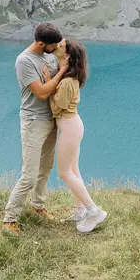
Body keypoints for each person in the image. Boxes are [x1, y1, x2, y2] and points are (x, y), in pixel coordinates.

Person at [3, 23, 66, 235]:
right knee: (29, 174)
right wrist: (62, 71)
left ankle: (38, 206)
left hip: (52, 119)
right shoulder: (24, 61)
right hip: (33, 121)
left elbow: (57, 86)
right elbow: (41, 92)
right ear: (40, 43)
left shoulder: (50, 55)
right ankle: (9, 218)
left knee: (46, 166)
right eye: (52, 45)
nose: (56, 48)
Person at [50, 39, 106, 232]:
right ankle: (80, 210)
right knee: (73, 169)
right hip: (73, 126)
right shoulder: (69, 77)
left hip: (69, 128)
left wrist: (47, 87)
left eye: (61, 46)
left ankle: (94, 211)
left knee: (64, 172)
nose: (56, 45)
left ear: (66, 57)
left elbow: (57, 107)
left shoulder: (66, 83)